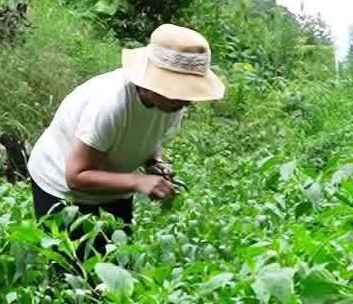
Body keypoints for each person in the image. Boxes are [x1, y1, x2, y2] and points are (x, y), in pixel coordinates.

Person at [26, 23, 226, 256]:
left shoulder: (173, 105)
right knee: (70, 272)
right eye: (181, 92)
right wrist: (138, 182)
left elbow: (148, 136)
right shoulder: (111, 105)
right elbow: (76, 176)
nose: (187, 101)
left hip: (113, 185)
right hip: (60, 187)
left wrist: (155, 164)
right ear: (155, 84)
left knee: (117, 263)